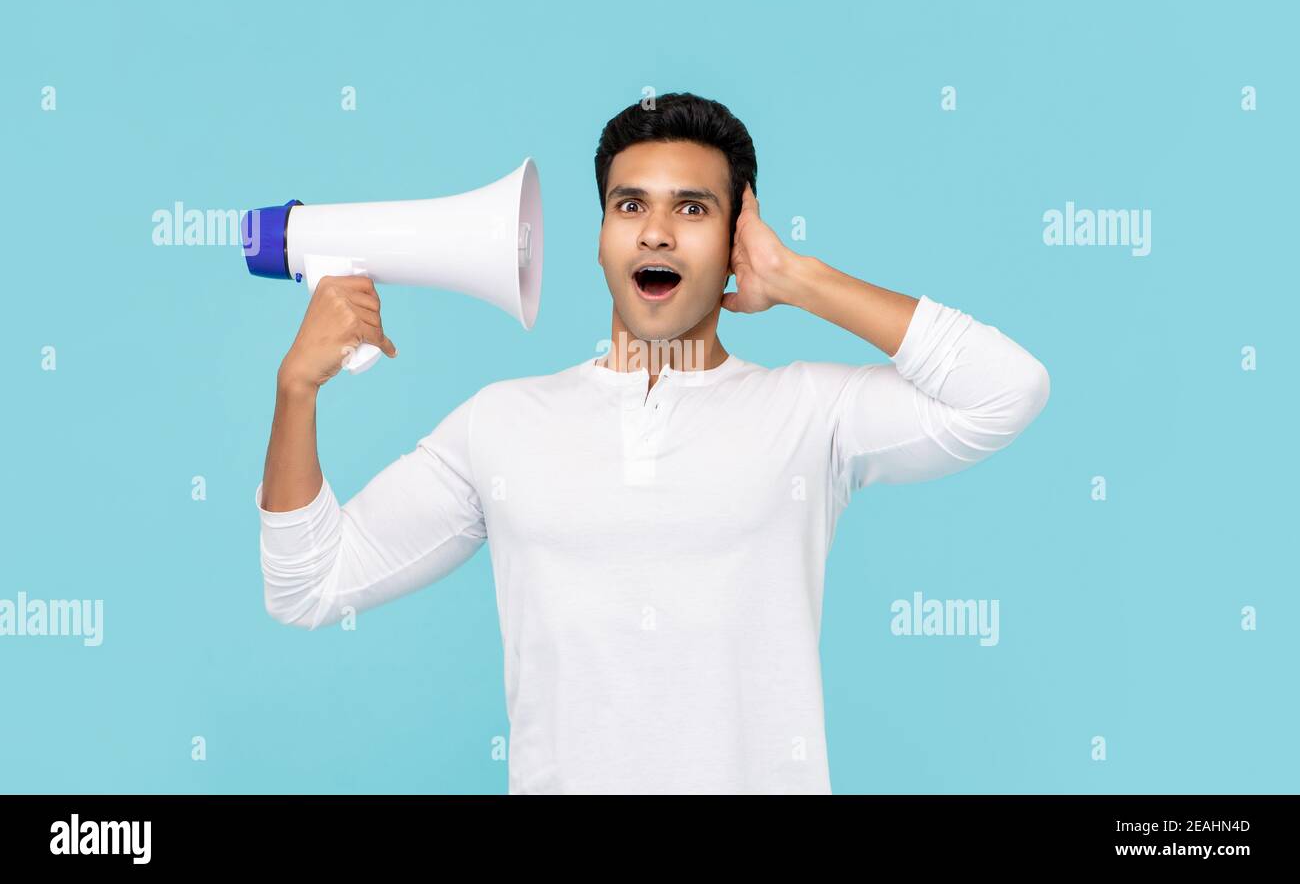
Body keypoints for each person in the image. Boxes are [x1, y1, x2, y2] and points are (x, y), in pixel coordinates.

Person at [254, 92, 1051, 794]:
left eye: (694, 209)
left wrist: (798, 278)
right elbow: (310, 584)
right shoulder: (500, 423)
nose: (656, 234)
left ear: (739, 237)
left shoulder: (811, 411)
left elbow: (1006, 389)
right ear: (601, 236)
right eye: (630, 206)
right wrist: (298, 390)